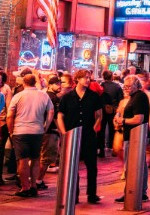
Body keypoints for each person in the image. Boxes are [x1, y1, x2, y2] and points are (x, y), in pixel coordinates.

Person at [57, 69, 103, 204]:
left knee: (92, 166)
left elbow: (99, 115)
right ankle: (73, 193)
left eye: (89, 78)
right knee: (72, 166)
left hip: (88, 135)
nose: (88, 80)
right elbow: (60, 116)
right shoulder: (67, 97)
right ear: (77, 79)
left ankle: (92, 193)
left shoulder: (94, 96)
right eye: (85, 78)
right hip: (72, 135)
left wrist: (94, 128)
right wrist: (64, 132)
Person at [7, 73, 54, 197]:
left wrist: (11, 131)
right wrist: (45, 126)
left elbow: (10, 115)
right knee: (35, 159)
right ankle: (34, 186)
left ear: (23, 83)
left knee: (23, 160)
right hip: (37, 131)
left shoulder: (18, 96)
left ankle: (25, 187)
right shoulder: (44, 96)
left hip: (20, 131)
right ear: (35, 82)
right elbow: (51, 111)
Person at [114, 75, 150, 203]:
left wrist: (122, 120)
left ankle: (134, 191)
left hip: (136, 136)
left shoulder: (139, 97)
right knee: (138, 164)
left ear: (137, 86)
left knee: (133, 165)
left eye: (129, 86)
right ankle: (139, 191)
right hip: (133, 135)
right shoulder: (134, 97)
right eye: (125, 86)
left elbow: (138, 119)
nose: (127, 88)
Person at [37, 76, 61, 186]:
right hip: (50, 131)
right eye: (57, 84)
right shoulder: (54, 99)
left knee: (38, 156)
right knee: (47, 158)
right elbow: (56, 116)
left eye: (60, 83)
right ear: (50, 85)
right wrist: (60, 130)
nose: (59, 86)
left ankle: (34, 179)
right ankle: (38, 180)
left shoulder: (43, 95)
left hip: (40, 130)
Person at [99, 70, 123, 158]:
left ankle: (101, 150)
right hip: (113, 110)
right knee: (113, 129)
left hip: (102, 109)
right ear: (111, 77)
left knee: (101, 130)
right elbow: (121, 99)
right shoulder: (117, 87)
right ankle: (113, 149)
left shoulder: (101, 86)